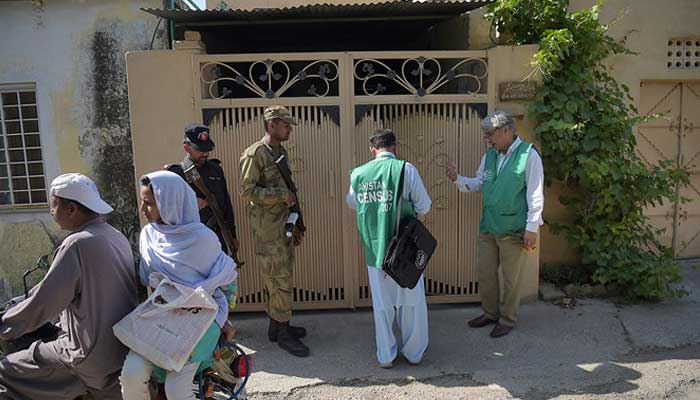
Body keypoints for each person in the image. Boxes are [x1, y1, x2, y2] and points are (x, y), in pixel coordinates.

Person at [0, 173, 138, 399]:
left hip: (86, 355)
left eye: (53, 206)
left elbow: (44, 302)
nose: (51, 212)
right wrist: (17, 303)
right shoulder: (115, 236)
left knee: (6, 371)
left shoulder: (76, 244)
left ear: (71, 209)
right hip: (119, 350)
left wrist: (5, 324)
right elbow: (50, 286)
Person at [119, 170, 238, 400]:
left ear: (170, 203)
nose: (143, 210)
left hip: (200, 318)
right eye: (143, 202)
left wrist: (224, 319)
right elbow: (147, 279)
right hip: (163, 312)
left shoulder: (203, 239)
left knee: (177, 390)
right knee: (131, 374)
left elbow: (227, 281)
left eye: (149, 204)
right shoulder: (148, 236)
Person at [446, 111, 544, 338]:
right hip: (489, 226)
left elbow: (535, 194)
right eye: (486, 135)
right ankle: (490, 313)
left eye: (490, 134)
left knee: (511, 279)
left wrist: (532, 228)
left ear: (507, 131)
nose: (487, 139)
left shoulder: (529, 155)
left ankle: (507, 319)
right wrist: (458, 179)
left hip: (514, 229)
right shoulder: (489, 155)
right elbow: (480, 182)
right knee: (486, 273)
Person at [345, 129, 432, 368]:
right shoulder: (406, 169)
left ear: (372, 150)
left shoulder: (359, 174)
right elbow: (424, 206)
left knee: (382, 306)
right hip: (406, 249)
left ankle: (386, 356)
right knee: (411, 301)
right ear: (394, 148)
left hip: (375, 250)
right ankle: (414, 353)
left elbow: (352, 203)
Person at [239, 105, 309, 357]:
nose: (289, 128)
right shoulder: (255, 154)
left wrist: (296, 224)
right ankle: (282, 334)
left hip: (283, 228)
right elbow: (247, 192)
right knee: (279, 280)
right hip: (268, 233)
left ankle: (277, 325)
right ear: (271, 125)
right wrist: (281, 196)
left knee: (281, 277)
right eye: (285, 124)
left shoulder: (279, 152)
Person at [166, 123, 239, 256]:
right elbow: (167, 210)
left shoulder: (215, 169)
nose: (205, 153)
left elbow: (226, 204)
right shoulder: (176, 174)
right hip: (190, 242)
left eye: (207, 149)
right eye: (200, 149)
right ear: (186, 147)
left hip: (216, 239)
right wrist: (190, 203)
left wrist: (232, 234)